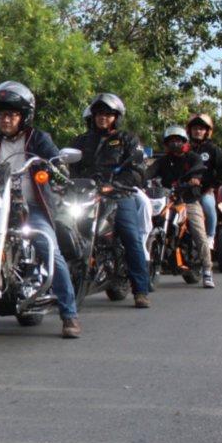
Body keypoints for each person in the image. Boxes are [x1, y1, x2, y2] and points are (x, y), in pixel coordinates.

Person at [0, 81, 83, 337]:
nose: (6, 120)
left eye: (12, 115)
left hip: (30, 208)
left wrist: (57, 168)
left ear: (24, 117)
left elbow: (54, 158)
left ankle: (69, 315)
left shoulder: (38, 138)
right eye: (2, 115)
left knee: (48, 248)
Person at [69, 93, 152, 308]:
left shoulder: (128, 140)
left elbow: (137, 171)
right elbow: (69, 167)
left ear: (116, 117)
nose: (102, 117)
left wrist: (114, 185)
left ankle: (141, 290)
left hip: (118, 196)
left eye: (107, 114)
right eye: (99, 113)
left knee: (131, 237)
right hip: (86, 196)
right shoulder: (81, 141)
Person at [146, 126, 213, 287]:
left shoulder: (193, 158)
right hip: (167, 200)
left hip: (188, 200)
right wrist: (138, 179)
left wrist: (195, 179)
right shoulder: (163, 160)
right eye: (171, 141)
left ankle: (207, 271)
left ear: (184, 142)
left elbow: (199, 170)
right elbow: (149, 172)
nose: (175, 143)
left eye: (178, 140)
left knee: (199, 232)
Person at [184, 113, 222, 259]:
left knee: (208, 205)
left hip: (204, 192)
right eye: (195, 128)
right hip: (184, 192)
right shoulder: (184, 149)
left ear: (207, 132)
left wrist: (212, 186)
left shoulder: (213, 150)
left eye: (201, 129)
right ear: (189, 131)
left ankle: (210, 237)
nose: (198, 131)